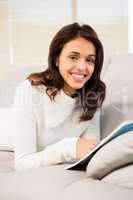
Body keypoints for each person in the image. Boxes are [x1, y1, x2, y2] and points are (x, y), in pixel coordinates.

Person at [12, 22, 106, 171]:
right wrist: (68, 147)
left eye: (89, 60)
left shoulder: (92, 96)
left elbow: (89, 152)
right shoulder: (29, 91)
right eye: (73, 57)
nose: (82, 67)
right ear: (57, 59)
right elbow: (22, 164)